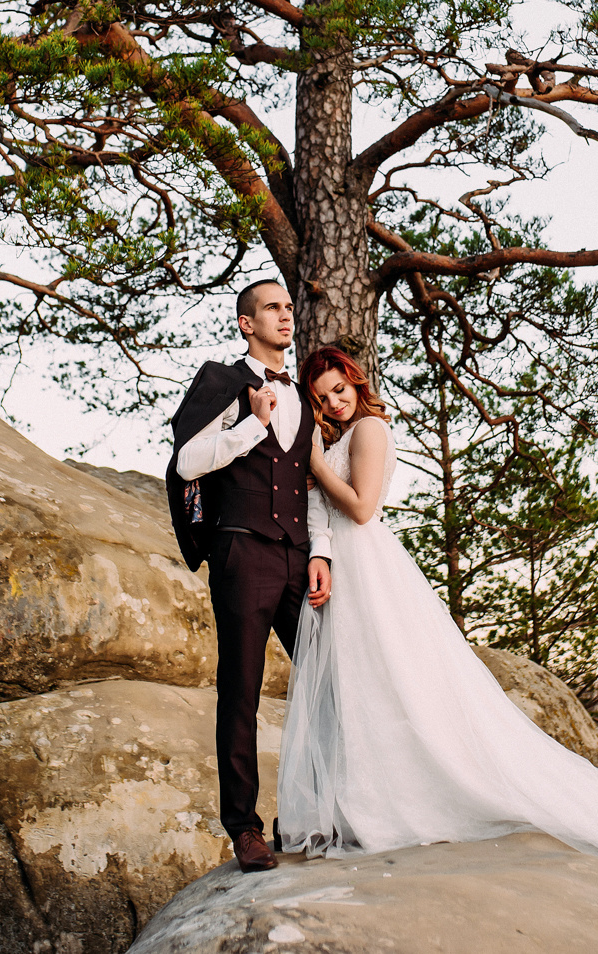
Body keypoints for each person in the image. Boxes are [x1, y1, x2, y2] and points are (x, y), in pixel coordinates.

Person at [274, 345, 598, 899]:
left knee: (391, 686)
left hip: (371, 569)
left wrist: (314, 464)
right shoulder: (341, 436)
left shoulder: (368, 430)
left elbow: (362, 509)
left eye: (340, 390)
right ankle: (363, 797)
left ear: (356, 383)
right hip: (349, 570)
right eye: (323, 398)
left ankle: (392, 802)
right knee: (364, 689)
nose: (335, 403)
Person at [165, 279, 333, 874]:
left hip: (297, 557)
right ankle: (244, 828)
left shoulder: (305, 396)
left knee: (325, 685)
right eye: (272, 309)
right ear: (246, 323)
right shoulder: (222, 380)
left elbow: (308, 484)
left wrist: (321, 553)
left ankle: (307, 814)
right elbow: (185, 461)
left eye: (289, 308)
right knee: (241, 690)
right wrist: (249, 426)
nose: (285, 317)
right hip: (242, 555)